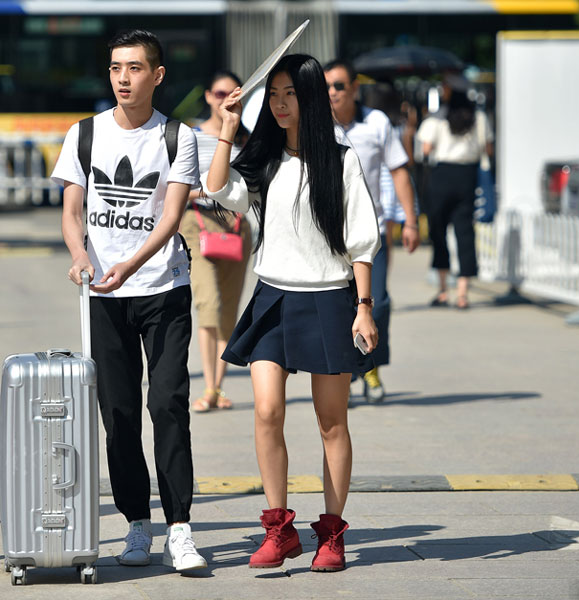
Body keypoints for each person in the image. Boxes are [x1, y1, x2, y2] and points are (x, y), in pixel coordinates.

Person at [203, 54, 380, 572]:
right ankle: (279, 530)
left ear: (310, 98)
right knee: (265, 411)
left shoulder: (342, 160)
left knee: (331, 423)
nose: (279, 105)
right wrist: (228, 129)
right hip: (273, 297)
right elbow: (217, 191)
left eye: (289, 94)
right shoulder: (262, 159)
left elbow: (362, 242)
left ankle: (331, 534)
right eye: (273, 95)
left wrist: (363, 308)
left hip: (329, 298)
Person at [53, 29, 206, 571]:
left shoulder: (177, 138)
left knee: (167, 403)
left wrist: (132, 264)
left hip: (162, 288)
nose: (123, 77)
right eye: (117, 67)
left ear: (157, 76)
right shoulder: (84, 134)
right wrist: (80, 255)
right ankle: (137, 523)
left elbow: (171, 216)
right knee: (117, 414)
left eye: (135, 68)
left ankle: (180, 528)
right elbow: (73, 211)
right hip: (103, 295)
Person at [323, 59, 419, 404]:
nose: (331, 93)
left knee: (376, 305)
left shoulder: (375, 123)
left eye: (338, 86)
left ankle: (371, 367)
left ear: (354, 88)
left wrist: (410, 220)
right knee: (341, 308)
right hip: (329, 236)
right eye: (326, 86)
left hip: (371, 234)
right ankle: (348, 373)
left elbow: (399, 171)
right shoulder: (316, 124)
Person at [181, 70, 253, 413]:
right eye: (219, 93)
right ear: (208, 96)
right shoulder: (190, 137)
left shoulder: (248, 140)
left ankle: (217, 387)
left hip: (237, 225)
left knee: (228, 311)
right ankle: (209, 387)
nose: (225, 100)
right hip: (197, 221)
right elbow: (176, 187)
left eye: (232, 94)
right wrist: (211, 191)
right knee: (207, 304)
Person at [416, 88, 488, 309]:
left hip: (442, 175)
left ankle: (443, 291)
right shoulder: (479, 117)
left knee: (438, 232)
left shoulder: (438, 117)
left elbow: (425, 149)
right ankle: (463, 293)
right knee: (465, 232)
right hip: (467, 175)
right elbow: (488, 147)